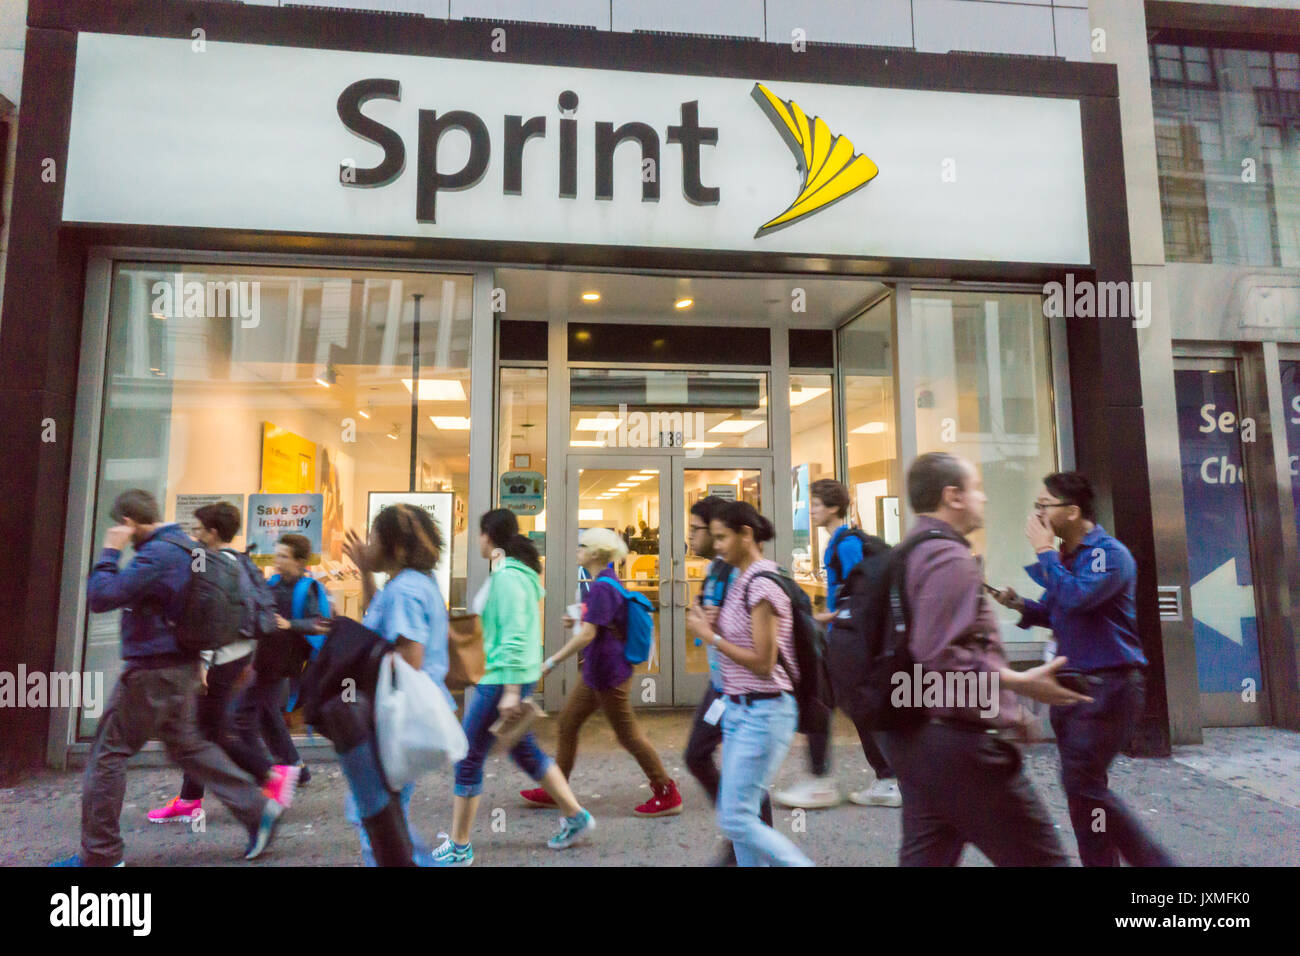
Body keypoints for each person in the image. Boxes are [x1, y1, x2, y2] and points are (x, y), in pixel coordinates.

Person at [53, 490, 289, 866]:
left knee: (107, 755)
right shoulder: (184, 546)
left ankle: (100, 854)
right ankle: (258, 810)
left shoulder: (158, 554)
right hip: (181, 668)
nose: (119, 531)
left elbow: (101, 596)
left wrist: (111, 553)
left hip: (151, 671)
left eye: (121, 526)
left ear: (129, 523)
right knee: (189, 747)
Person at [879, 453, 1092, 866]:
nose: (984, 499)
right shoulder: (948, 557)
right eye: (976, 489)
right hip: (962, 749)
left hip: (925, 739)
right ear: (953, 496)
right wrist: (1017, 685)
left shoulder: (913, 550)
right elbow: (941, 657)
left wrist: (1010, 710)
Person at [993, 471, 1174, 867]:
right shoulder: (1068, 558)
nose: (1037, 514)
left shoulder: (1108, 554)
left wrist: (1042, 552)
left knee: (1083, 784)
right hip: (1073, 688)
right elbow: (1058, 611)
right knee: (1082, 791)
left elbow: (1077, 598)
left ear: (1072, 511)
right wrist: (1020, 604)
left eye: (1044, 506)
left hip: (1109, 687)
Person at [433, 509, 594, 864]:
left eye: (478, 534)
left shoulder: (507, 577)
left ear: (488, 536)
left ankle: (460, 847)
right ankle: (576, 816)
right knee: (525, 751)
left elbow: (515, 635)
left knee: (468, 756)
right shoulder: (518, 575)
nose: (477, 541)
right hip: (515, 676)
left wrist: (507, 692)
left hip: (502, 680)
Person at [146, 502, 299, 824]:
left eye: (199, 529)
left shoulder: (211, 566)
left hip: (219, 658)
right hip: (239, 654)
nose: (194, 535)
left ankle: (269, 775)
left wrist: (203, 662)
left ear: (213, 532)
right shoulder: (240, 562)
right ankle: (190, 798)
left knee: (206, 733)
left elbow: (208, 619)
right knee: (204, 729)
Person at [685, 501, 813, 866]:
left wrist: (711, 636)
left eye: (722, 536)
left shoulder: (761, 583)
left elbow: (763, 662)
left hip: (764, 707)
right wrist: (716, 624)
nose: (717, 544)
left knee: (736, 817)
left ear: (746, 534)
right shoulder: (736, 579)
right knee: (737, 814)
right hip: (741, 707)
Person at [523, 527, 683, 817]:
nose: (577, 549)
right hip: (598, 671)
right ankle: (555, 790)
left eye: (582, 545)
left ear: (595, 552)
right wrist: (578, 617)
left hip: (609, 674)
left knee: (628, 735)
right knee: (568, 723)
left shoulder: (601, 586)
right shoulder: (606, 582)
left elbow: (587, 635)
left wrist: (549, 664)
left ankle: (666, 791)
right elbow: (599, 622)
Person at [774, 478, 901, 810]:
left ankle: (854, 781)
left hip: (849, 642)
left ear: (832, 507)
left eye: (815, 503)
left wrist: (823, 619)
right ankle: (882, 779)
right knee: (840, 707)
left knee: (831, 706)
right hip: (843, 639)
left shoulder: (844, 544)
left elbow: (861, 596)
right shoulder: (837, 542)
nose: (811, 509)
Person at [342, 504, 453, 866]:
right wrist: (364, 573)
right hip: (404, 714)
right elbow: (383, 620)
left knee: (374, 817)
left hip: (398, 717)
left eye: (374, 537)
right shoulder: (409, 584)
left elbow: (409, 657)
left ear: (396, 547)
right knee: (385, 814)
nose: (368, 544)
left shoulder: (405, 590)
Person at [682, 496, 774, 865]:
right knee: (698, 756)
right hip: (720, 688)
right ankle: (742, 830)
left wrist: (713, 628)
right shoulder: (717, 570)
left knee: (739, 770)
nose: (691, 536)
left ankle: (747, 837)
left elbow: (761, 646)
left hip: (744, 690)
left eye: (696, 530)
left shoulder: (746, 573)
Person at [225, 533, 327, 803]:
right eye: (277, 555)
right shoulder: (272, 582)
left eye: (284, 556)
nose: (277, 561)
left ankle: (267, 774)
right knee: (268, 715)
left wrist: (290, 624)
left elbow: (320, 623)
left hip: (284, 662)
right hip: (267, 659)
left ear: (301, 561)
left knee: (242, 716)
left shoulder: (309, 588)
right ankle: (297, 769)